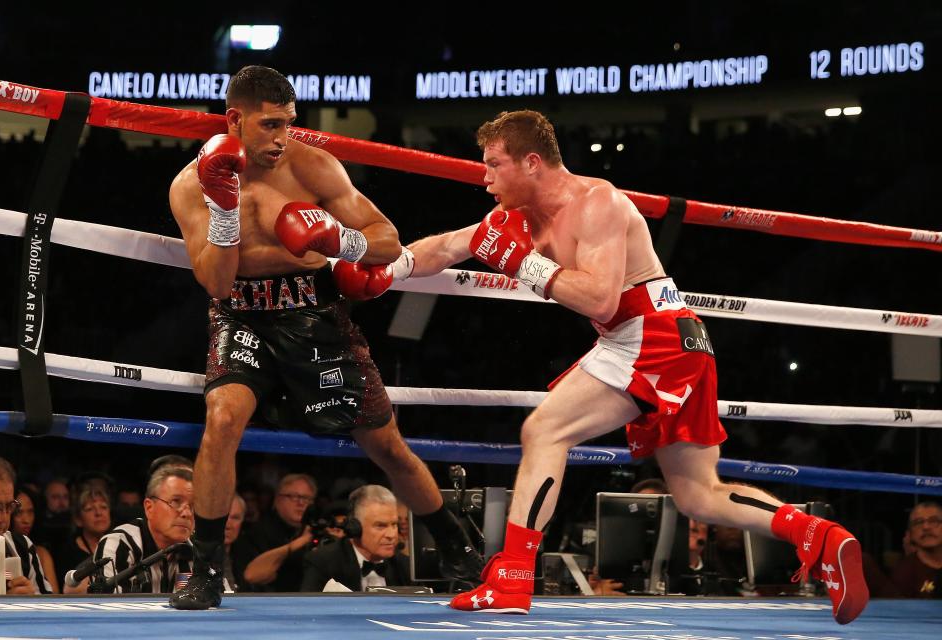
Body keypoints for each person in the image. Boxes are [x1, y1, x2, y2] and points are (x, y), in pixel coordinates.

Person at [388, 110, 868, 623]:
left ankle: (511, 576)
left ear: (531, 162)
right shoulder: (517, 218)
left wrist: (523, 263)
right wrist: (375, 270)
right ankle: (818, 534)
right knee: (697, 495)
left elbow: (598, 297)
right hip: (667, 340)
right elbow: (444, 247)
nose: (483, 177)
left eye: (493, 164)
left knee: (545, 430)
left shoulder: (598, 203)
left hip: (653, 335)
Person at [167, 64, 480, 609]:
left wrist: (339, 240)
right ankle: (206, 570)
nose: (281, 137)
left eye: (288, 123)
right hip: (239, 314)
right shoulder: (193, 185)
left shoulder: (311, 166)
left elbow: (387, 239)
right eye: (268, 125)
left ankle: (458, 547)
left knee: (385, 443)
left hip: (315, 312)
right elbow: (216, 281)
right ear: (234, 120)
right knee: (221, 422)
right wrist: (223, 210)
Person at [93, 465, 195, 593]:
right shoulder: (119, 544)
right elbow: (112, 609)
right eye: (175, 502)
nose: (187, 513)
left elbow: (222, 602)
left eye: (192, 506)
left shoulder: (198, 552)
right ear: (149, 508)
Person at [300, 485, 411, 592]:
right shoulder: (323, 562)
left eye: (394, 524)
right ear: (354, 527)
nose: (391, 535)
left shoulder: (405, 566)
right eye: (380, 526)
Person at [234, 473, 317, 592]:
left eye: (306, 498)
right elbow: (255, 577)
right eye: (293, 496)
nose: (301, 503)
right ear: (277, 499)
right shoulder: (258, 532)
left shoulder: (313, 531)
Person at [0, 455, 52, 594]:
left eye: (9, 506)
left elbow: (46, 611)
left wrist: (29, 602)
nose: (2, 518)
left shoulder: (23, 547)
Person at [58, 486, 112, 593]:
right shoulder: (67, 552)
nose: (98, 513)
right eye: (89, 509)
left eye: (104, 507)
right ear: (78, 519)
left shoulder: (120, 544)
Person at [10, 486, 60, 593]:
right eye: (19, 513)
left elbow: (53, 598)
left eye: (30, 512)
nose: (26, 520)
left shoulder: (41, 553)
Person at [890, 501, 942, 598]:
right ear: (910, 533)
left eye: (934, 521)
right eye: (918, 522)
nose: (926, 527)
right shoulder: (904, 572)